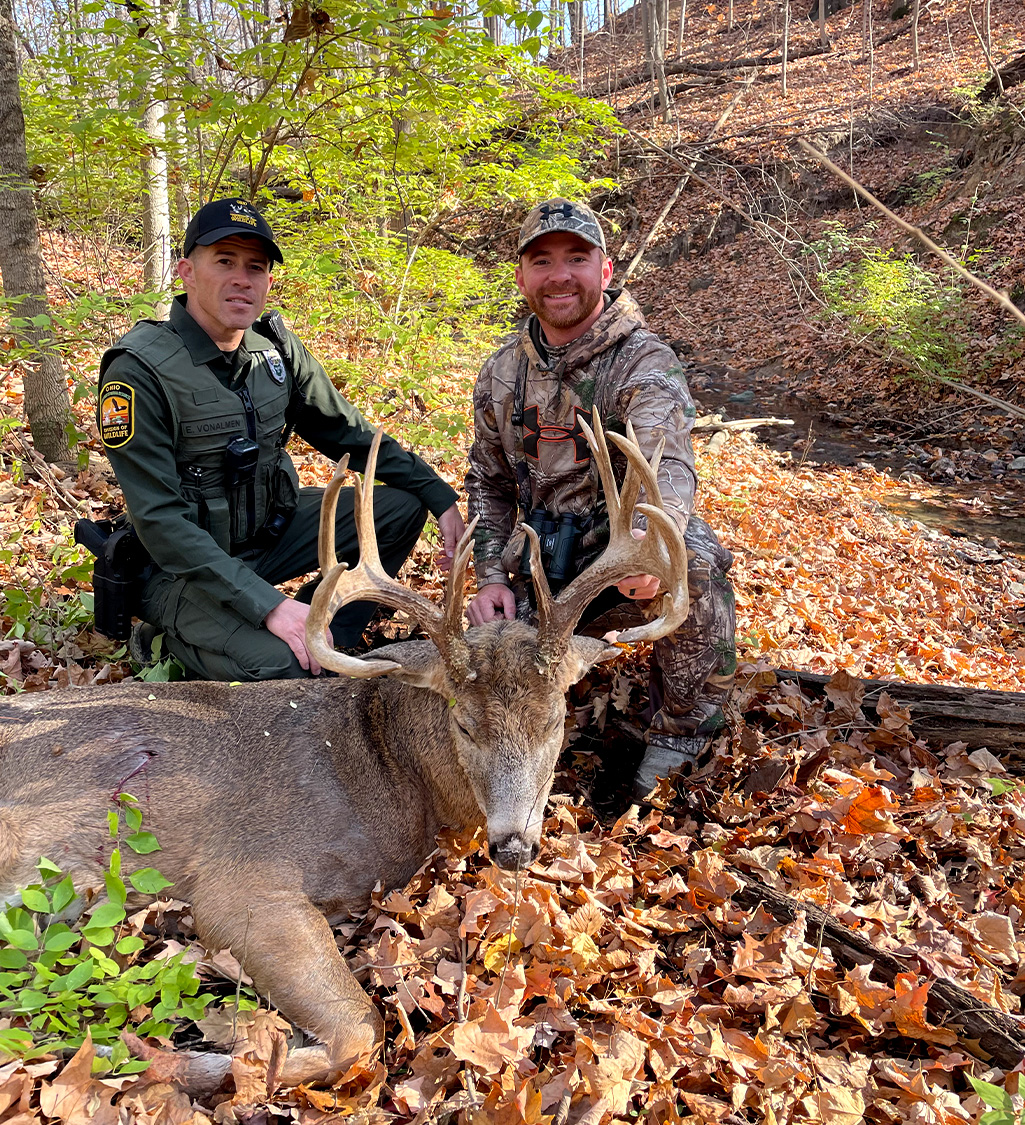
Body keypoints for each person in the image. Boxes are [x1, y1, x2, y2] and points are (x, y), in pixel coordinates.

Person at [97, 198, 464, 680]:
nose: (241, 279)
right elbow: (161, 522)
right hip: (180, 568)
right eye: (224, 261)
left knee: (400, 508)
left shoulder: (275, 349)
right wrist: (270, 606)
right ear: (186, 271)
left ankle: (326, 640)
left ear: (269, 281)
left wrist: (439, 496)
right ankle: (168, 641)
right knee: (282, 666)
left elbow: (346, 431)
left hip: (265, 534)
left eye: (256, 267)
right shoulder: (138, 371)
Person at [464, 198, 736, 798]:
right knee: (487, 666)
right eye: (542, 260)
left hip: (615, 558)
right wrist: (489, 577)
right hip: (536, 558)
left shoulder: (644, 361)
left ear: (605, 271)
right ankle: (517, 756)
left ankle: (677, 739)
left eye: (576, 258)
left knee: (696, 564)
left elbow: (668, 467)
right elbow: (487, 482)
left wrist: (649, 543)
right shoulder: (502, 371)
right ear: (522, 277)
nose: (559, 274)